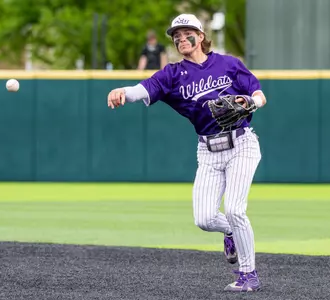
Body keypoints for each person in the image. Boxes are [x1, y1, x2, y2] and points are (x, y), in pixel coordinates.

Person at [107, 13, 267, 292]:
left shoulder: (229, 64)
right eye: (176, 36)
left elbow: (259, 94)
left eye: (187, 33)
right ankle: (229, 231)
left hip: (242, 143)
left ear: (201, 36)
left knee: (234, 208)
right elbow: (144, 88)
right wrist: (123, 91)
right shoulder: (172, 74)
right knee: (204, 219)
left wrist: (249, 103)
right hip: (207, 150)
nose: (181, 39)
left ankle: (248, 274)